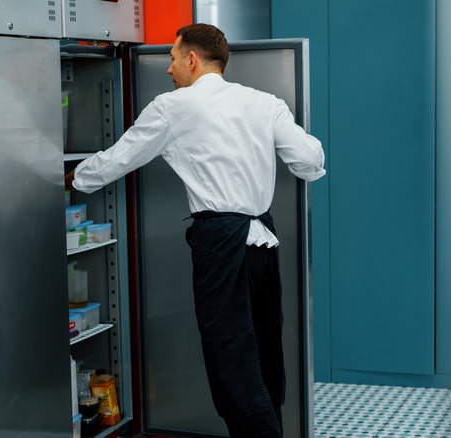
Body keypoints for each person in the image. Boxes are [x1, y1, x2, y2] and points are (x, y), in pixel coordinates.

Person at [66, 23, 325, 437]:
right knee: (262, 350)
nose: (169, 68)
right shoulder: (264, 102)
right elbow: (309, 159)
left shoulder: (173, 106)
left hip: (222, 242)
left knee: (230, 355)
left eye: (172, 57)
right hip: (262, 240)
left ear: (191, 58)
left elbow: (118, 159)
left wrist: (72, 177)